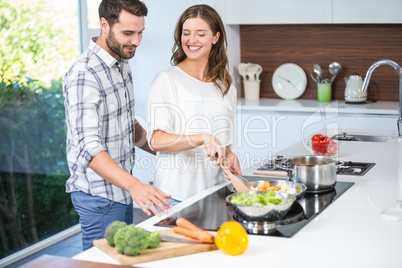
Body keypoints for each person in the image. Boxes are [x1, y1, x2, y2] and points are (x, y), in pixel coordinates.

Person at [63, 0, 171, 250]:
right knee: (102, 264)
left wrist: (164, 150)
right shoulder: (84, 75)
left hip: (122, 190)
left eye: (140, 32)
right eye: (128, 33)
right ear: (104, 25)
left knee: (124, 259)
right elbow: (87, 148)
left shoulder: (121, 62)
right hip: (99, 198)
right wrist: (137, 187)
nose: (136, 41)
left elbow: (125, 124)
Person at [147, 4, 241, 205]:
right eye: (186, 33)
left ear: (216, 37)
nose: (191, 40)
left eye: (201, 34)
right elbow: (156, 140)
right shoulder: (167, 80)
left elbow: (224, 145)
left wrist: (231, 156)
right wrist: (202, 138)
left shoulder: (225, 87)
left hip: (216, 193)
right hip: (175, 196)